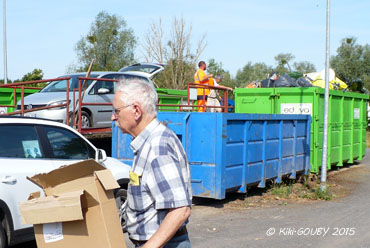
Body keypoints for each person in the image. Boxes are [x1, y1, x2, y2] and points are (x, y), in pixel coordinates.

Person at [111, 78, 192, 248]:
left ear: (136, 111)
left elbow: (180, 210)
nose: (113, 117)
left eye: (117, 111)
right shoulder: (148, 143)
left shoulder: (158, 148)